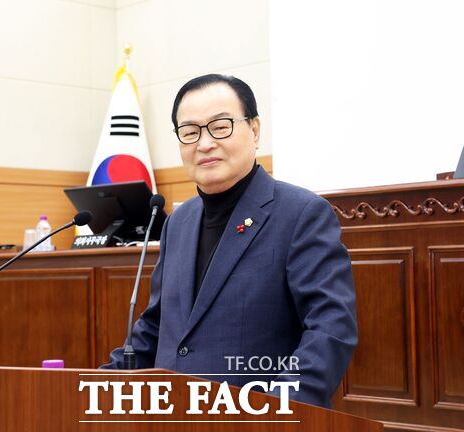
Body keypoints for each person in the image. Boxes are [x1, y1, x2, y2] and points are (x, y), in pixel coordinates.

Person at [102, 74, 357, 408]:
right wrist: (96, 388)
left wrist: (274, 411)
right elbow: (154, 328)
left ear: (255, 130)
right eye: (189, 132)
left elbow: (330, 329)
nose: (205, 143)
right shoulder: (177, 222)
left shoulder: (301, 214)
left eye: (220, 127)